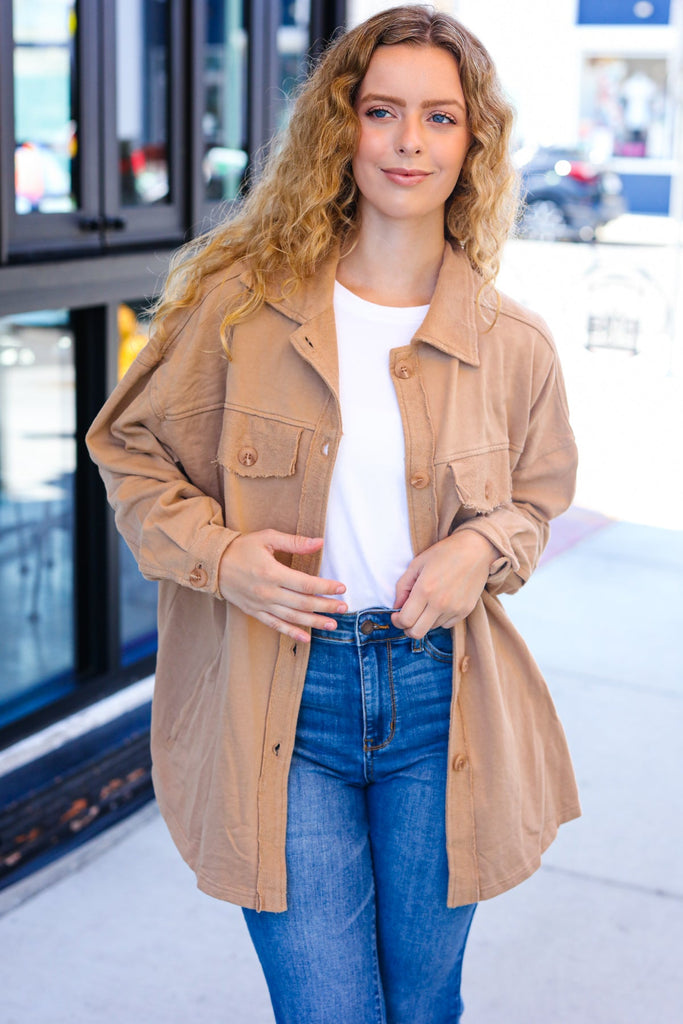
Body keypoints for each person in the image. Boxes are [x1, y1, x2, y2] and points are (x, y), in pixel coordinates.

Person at [87, 5, 580, 1022]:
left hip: (440, 702)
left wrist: (479, 549)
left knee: (423, 1002)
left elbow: (536, 497)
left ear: (472, 141)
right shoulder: (237, 305)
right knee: (327, 1010)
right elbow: (126, 450)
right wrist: (222, 557)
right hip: (280, 698)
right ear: (337, 127)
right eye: (381, 111)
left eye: (439, 118)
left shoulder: (510, 341)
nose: (408, 142)